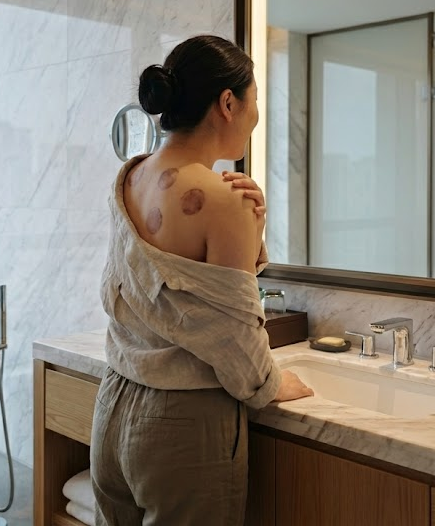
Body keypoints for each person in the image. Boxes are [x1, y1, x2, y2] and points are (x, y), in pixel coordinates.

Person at [91, 34, 314, 526]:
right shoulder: (220, 199)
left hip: (113, 407)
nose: (256, 119)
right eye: (254, 102)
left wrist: (248, 230)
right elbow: (236, 336)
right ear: (228, 103)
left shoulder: (131, 177)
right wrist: (272, 383)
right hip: (181, 427)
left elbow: (177, 292)